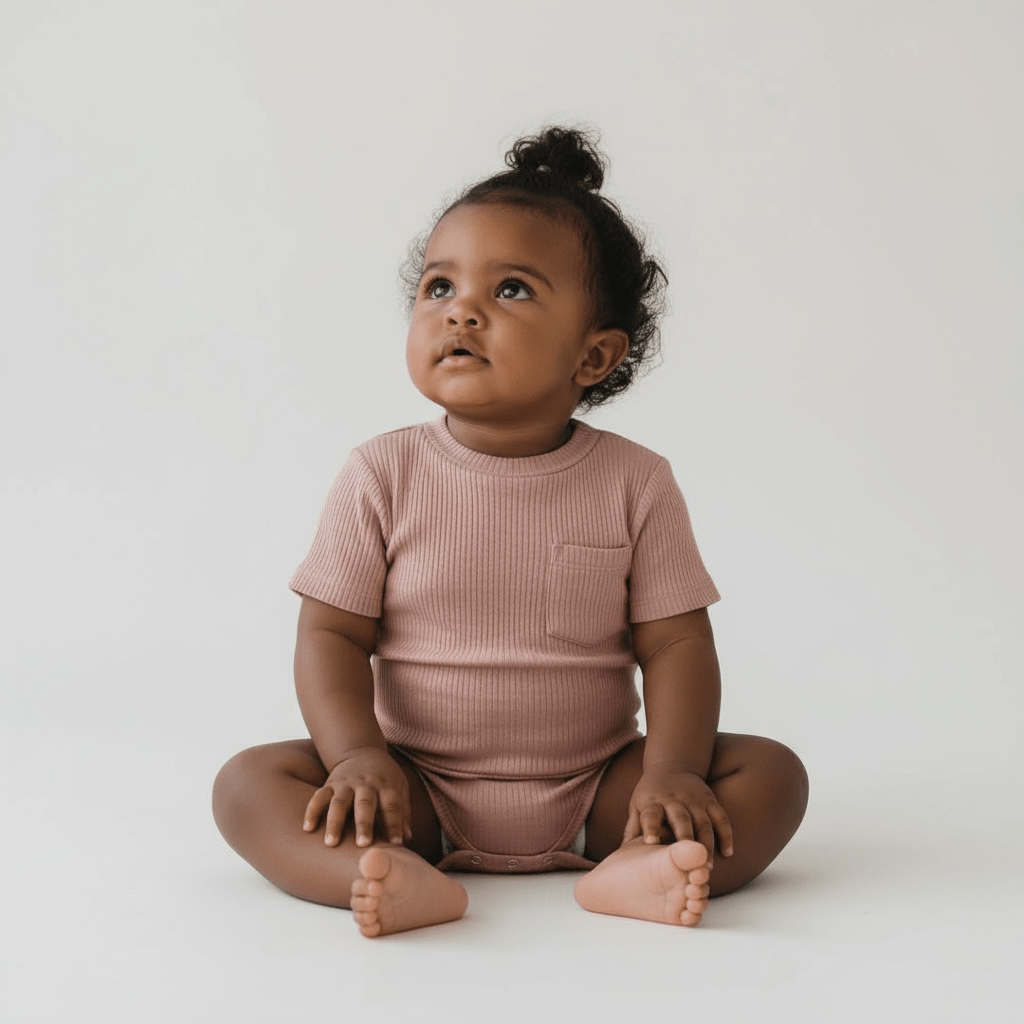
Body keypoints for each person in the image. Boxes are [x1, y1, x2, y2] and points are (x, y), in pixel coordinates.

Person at [212, 126, 809, 937]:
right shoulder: (381, 475)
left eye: (513, 290)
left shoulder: (635, 481)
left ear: (593, 357)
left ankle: (636, 864)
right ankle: (381, 873)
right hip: (413, 786)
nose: (461, 310)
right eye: (438, 287)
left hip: (600, 788)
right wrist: (358, 757)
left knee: (770, 774)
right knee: (248, 784)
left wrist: (667, 773)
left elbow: (675, 646)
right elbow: (331, 634)